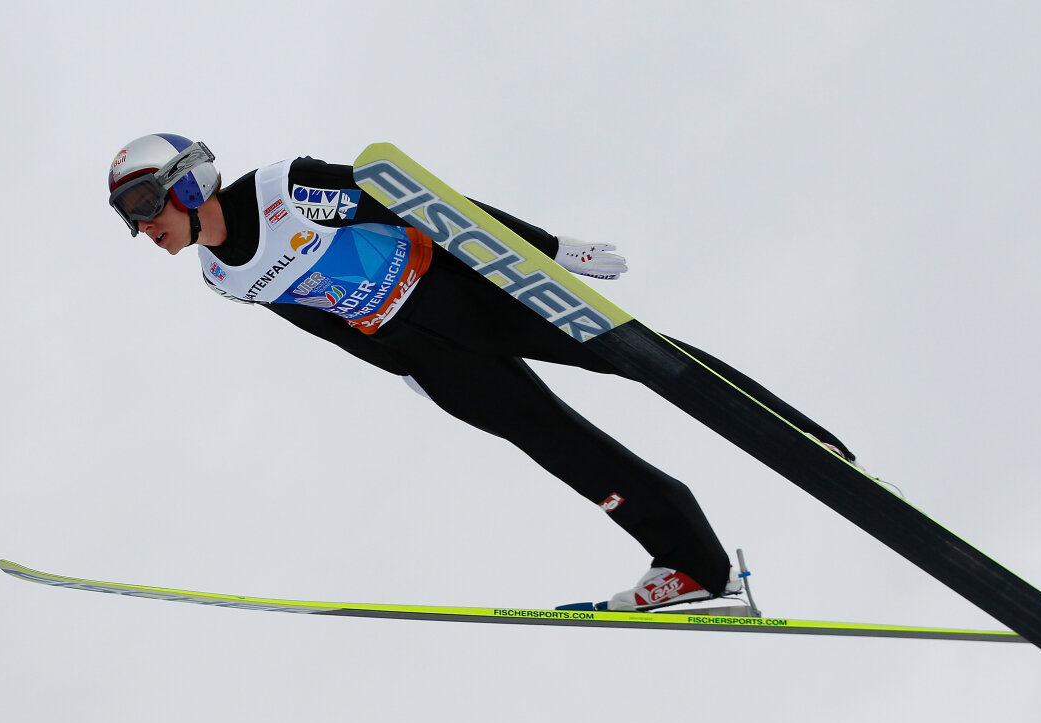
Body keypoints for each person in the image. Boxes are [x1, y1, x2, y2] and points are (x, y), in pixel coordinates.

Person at [107, 133, 855, 610]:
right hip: (427, 352)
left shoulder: (283, 189)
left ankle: (799, 435)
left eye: (145, 202)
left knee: (641, 357)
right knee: (562, 447)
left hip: (465, 291)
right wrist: (402, 369)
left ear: (189, 179)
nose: (145, 227)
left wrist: (544, 249)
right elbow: (323, 321)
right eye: (129, 217)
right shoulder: (221, 278)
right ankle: (695, 566)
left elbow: (425, 203)